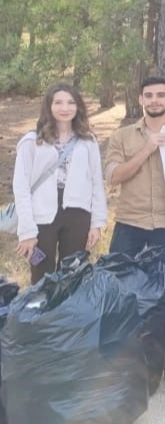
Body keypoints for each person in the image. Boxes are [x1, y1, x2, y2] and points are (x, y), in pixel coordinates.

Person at [12, 84, 108, 283]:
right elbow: (21, 188)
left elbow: (96, 182)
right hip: (41, 214)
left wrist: (97, 223)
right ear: (49, 106)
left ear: (78, 107)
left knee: (72, 272)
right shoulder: (32, 141)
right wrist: (27, 231)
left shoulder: (88, 141)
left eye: (71, 102)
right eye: (58, 102)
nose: (65, 108)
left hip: (77, 212)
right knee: (41, 272)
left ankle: (66, 312)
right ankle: (43, 312)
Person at [105, 76, 165, 258]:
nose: (154, 100)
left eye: (161, 95)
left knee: (158, 285)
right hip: (129, 223)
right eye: (148, 95)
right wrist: (147, 150)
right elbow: (113, 177)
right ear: (140, 99)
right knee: (119, 282)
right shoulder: (121, 136)